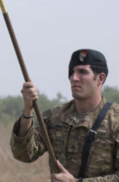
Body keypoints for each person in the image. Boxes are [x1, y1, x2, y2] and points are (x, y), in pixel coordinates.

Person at [11, 49, 119, 181]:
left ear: (100, 78)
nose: (74, 78)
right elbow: (24, 154)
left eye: (82, 72)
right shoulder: (54, 117)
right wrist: (28, 110)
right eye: (72, 72)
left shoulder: (115, 120)